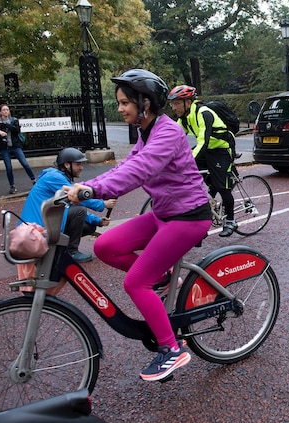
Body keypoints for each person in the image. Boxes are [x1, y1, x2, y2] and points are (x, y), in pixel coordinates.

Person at [65, 69, 213, 382]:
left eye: (124, 103)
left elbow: (139, 172)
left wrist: (94, 191)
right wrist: (85, 186)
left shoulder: (167, 132)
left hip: (188, 217)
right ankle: (161, 276)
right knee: (105, 245)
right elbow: (126, 166)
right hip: (164, 213)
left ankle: (172, 349)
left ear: (145, 102)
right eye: (118, 103)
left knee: (135, 283)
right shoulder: (146, 132)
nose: (119, 108)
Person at [20, 147, 116, 263]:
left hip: (40, 227)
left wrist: (97, 221)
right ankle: (71, 252)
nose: (81, 168)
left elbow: (71, 206)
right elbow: (80, 198)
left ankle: (60, 249)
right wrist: (103, 204)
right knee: (79, 210)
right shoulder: (54, 178)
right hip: (35, 232)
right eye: (78, 164)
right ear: (66, 165)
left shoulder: (57, 177)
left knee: (89, 226)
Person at [168, 85, 237, 237]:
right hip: (208, 151)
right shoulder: (184, 119)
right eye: (172, 103)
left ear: (188, 102)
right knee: (195, 180)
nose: (174, 107)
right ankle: (205, 213)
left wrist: (186, 162)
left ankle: (231, 220)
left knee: (223, 187)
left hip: (221, 150)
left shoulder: (203, 113)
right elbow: (172, 139)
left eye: (177, 103)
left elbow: (202, 142)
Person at [0, 104, 36, 194]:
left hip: (15, 147)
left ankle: (34, 180)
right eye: (4, 110)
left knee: (25, 164)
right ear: (0, 112)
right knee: (9, 167)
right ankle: (12, 186)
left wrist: (6, 125)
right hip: (5, 148)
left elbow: (16, 129)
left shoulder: (14, 120)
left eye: (7, 110)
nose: (6, 111)